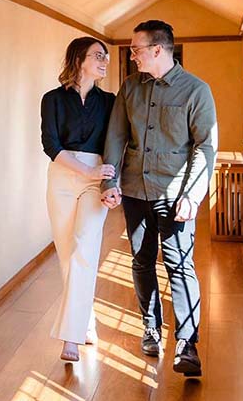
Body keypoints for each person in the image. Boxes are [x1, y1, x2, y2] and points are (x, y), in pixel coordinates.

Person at [101, 20, 217, 377]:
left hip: (176, 192)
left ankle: (187, 343)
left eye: (136, 49)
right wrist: (109, 181)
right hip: (135, 191)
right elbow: (116, 136)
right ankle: (151, 327)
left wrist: (192, 195)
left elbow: (205, 146)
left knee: (179, 264)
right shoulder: (129, 88)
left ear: (157, 50)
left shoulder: (196, 91)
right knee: (141, 260)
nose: (131, 55)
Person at [40, 37, 116, 362]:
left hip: (95, 178)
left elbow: (115, 143)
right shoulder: (53, 99)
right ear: (79, 59)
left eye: (106, 57)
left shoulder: (110, 101)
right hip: (62, 176)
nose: (104, 61)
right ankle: (85, 321)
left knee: (85, 247)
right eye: (98, 56)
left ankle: (70, 338)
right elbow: (51, 145)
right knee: (67, 253)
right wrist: (81, 172)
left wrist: (106, 181)